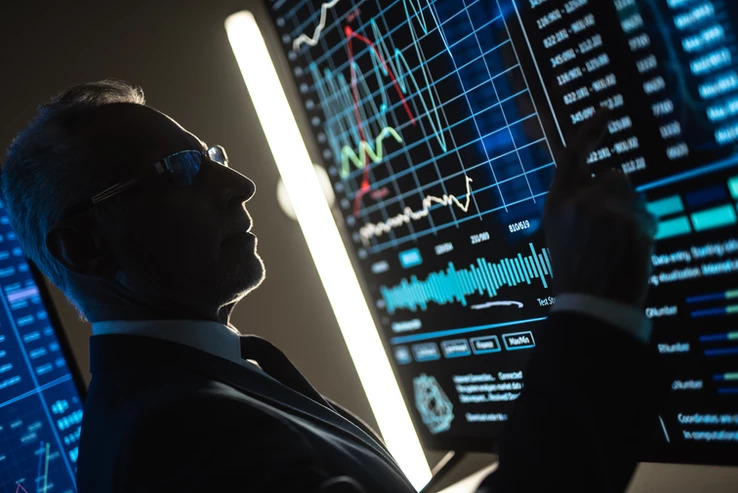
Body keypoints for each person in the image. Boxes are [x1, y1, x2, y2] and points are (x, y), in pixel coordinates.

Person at [1, 80, 658, 492]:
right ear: (86, 246)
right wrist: (591, 306)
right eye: (180, 169)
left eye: (215, 159)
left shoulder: (198, 389)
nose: (240, 186)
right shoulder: (174, 440)